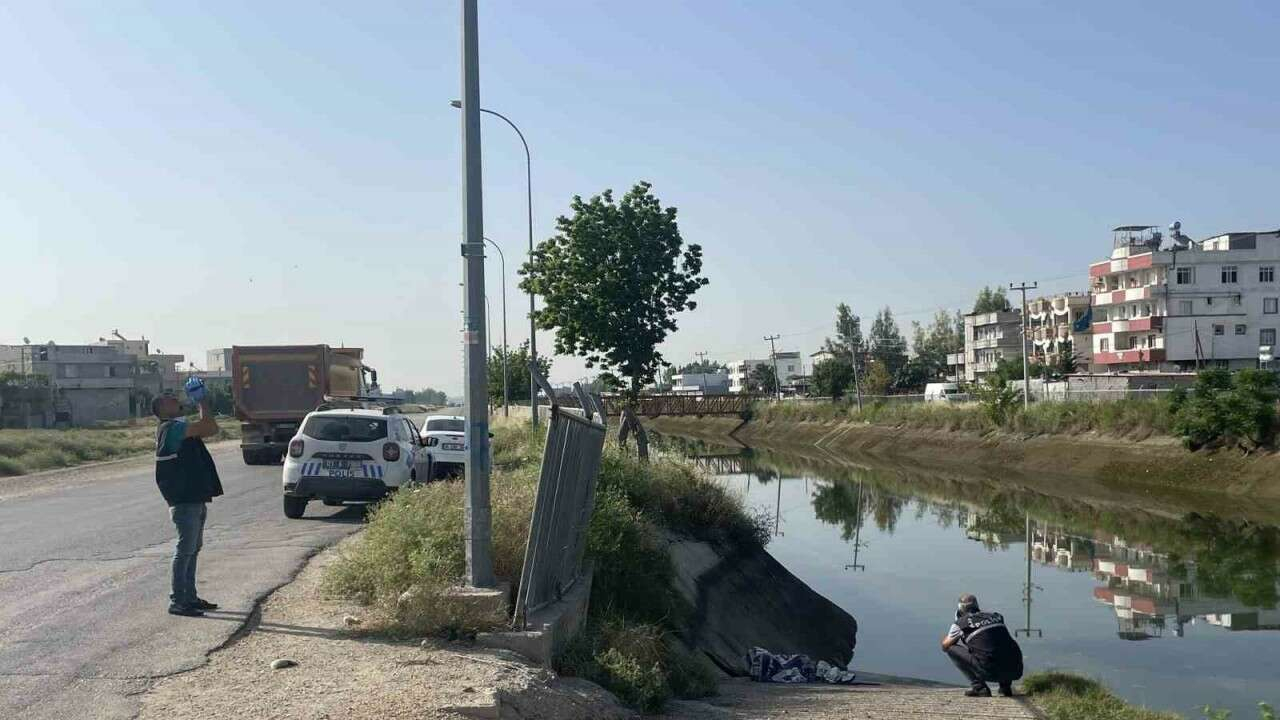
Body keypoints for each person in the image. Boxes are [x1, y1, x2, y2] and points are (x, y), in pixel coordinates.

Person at [153, 385, 223, 618]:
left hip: (193, 497)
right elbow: (210, 427)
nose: (175, 399)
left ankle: (189, 597)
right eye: (169, 398)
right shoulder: (171, 428)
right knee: (185, 550)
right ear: (162, 408)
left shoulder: (175, 427)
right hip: (185, 500)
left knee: (192, 549)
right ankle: (179, 600)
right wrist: (202, 401)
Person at [940, 593, 1023, 697]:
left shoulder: (961, 623)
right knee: (999, 644)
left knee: (950, 648)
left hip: (990, 672)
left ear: (960, 609)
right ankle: (1005, 687)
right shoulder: (997, 616)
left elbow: (945, 645)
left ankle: (979, 687)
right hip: (1016, 670)